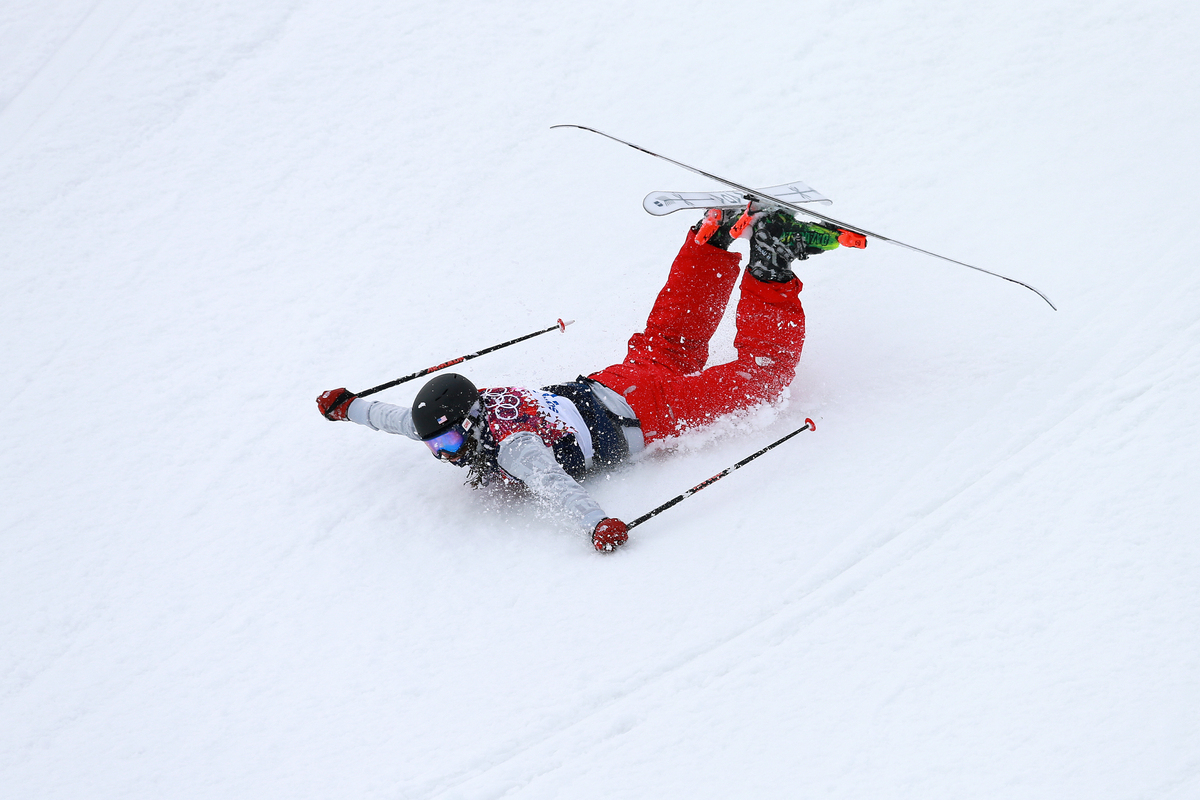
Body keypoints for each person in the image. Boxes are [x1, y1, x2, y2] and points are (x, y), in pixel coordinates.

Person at [316, 206, 865, 552]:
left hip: (644, 411)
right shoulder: (457, 423)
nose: (444, 452)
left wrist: (598, 525)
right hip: (613, 381)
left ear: (469, 421)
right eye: (437, 444)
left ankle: (770, 261)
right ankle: (710, 241)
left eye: (451, 440)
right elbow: (393, 419)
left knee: (759, 383)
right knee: (672, 342)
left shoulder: (515, 448)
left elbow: (559, 489)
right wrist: (349, 407)